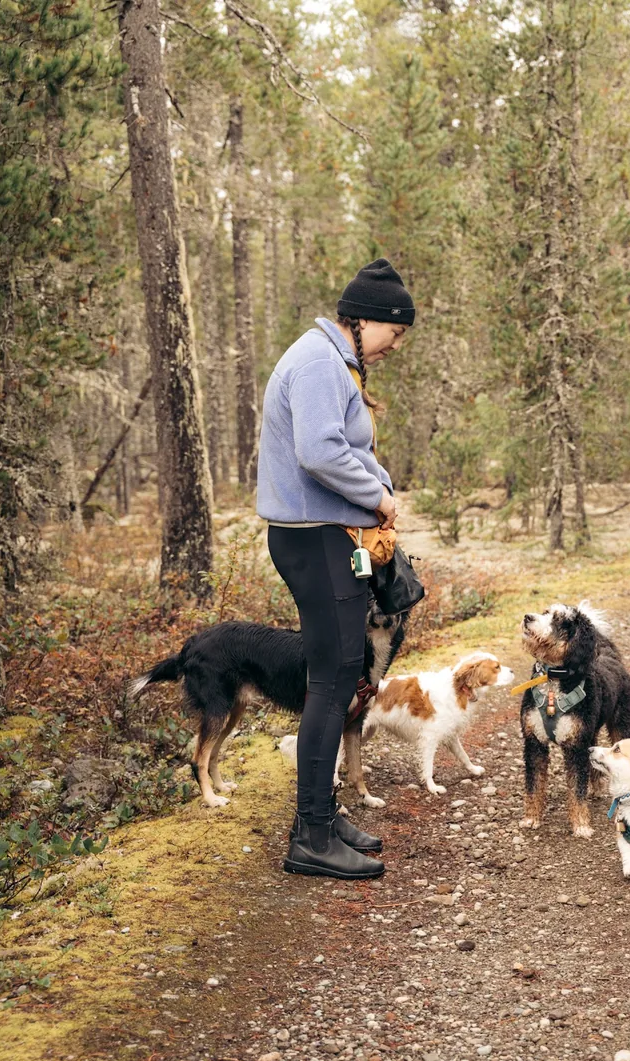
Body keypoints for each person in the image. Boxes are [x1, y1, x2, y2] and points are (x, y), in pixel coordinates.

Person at [256, 258, 415, 879]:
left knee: (341, 670)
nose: (395, 346)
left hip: (322, 536)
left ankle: (319, 816)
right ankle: (311, 835)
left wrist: (380, 483)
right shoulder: (322, 361)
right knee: (332, 678)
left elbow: (347, 448)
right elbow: (319, 450)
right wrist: (378, 499)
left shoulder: (332, 359)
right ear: (369, 319)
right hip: (314, 538)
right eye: (395, 334)